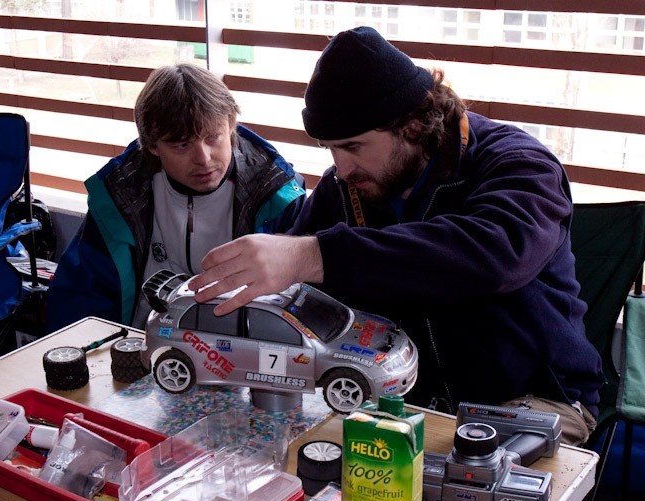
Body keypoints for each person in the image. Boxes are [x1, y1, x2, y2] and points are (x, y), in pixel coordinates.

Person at [188, 27, 603, 445]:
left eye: (353, 147)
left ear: (414, 125)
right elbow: (290, 283)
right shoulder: (346, 187)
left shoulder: (520, 163)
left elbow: (496, 254)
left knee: (472, 477)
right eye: (331, 149)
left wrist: (314, 256)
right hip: (397, 399)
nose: (341, 169)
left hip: (533, 401)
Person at [46, 63, 306, 332]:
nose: (203, 158)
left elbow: (301, 307)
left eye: (212, 138)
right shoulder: (119, 196)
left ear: (230, 124)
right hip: (139, 341)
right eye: (182, 145)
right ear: (152, 145)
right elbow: (80, 298)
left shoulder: (277, 196)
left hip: (239, 348)